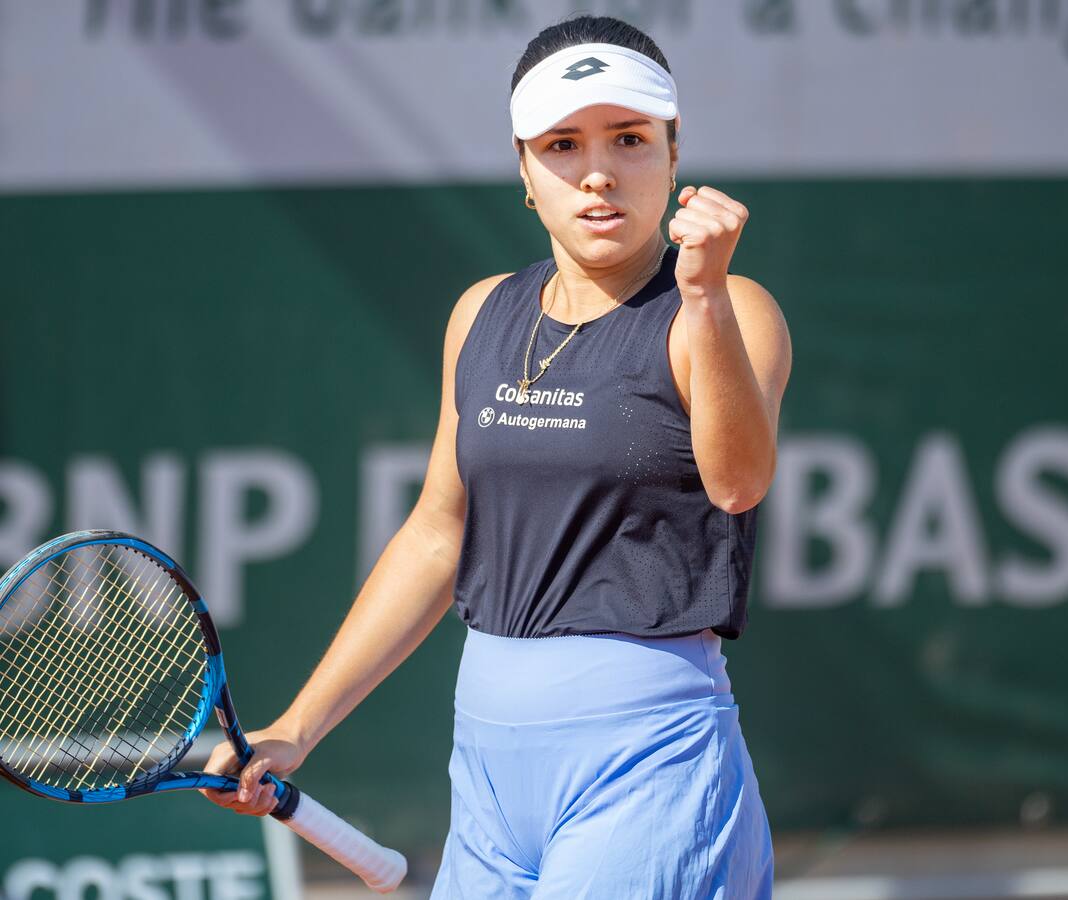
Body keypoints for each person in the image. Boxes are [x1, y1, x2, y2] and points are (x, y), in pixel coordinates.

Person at [201, 13, 792, 898]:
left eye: (629, 139)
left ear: (673, 154)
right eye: (563, 144)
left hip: (649, 762)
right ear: (524, 171)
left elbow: (739, 484)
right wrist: (297, 727)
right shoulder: (482, 313)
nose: (598, 171)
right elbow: (439, 535)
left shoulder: (730, 306)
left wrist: (701, 295)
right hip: (487, 770)